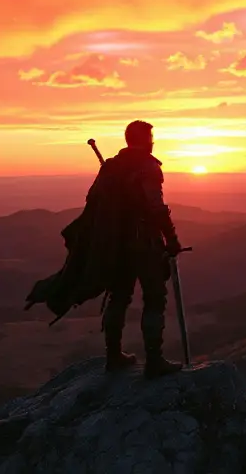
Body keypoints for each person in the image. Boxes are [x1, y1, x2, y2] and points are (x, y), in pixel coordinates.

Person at [88, 120, 184, 378]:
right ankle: (154, 361)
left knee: (119, 296)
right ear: (142, 139)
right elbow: (156, 207)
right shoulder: (147, 167)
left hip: (117, 244)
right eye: (151, 136)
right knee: (154, 298)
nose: (154, 141)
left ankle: (113, 355)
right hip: (144, 243)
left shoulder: (113, 166)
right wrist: (172, 239)